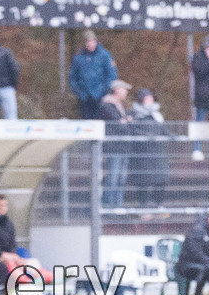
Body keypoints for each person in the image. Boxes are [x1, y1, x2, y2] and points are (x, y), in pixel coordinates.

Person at [129, 88, 170, 211]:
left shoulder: (157, 116)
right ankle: (143, 207)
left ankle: (159, 204)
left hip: (157, 152)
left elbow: (164, 130)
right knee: (143, 181)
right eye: (147, 97)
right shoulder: (135, 115)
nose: (151, 99)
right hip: (142, 154)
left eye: (151, 97)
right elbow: (133, 131)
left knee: (160, 179)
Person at [69, 30, 118, 120]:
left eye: (92, 41)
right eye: (88, 42)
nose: (91, 44)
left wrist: (105, 89)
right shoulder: (78, 58)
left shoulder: (105, 55)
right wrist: (78, 91)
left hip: (100, 96)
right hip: (84, 97)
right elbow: (72, 77)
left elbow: (112, 74)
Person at [99, 79, 132, 208]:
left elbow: (124, 123)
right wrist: (125, 121)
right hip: (114, 148)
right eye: (124, 89)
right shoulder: (108, 106)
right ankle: (109, 206)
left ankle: (118, 206)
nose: (126, 92)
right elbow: (119, 124)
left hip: (122, 147)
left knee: (121, 179)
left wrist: (125, 121)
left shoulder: (118, 106)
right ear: (117, 90)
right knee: (113, 178)